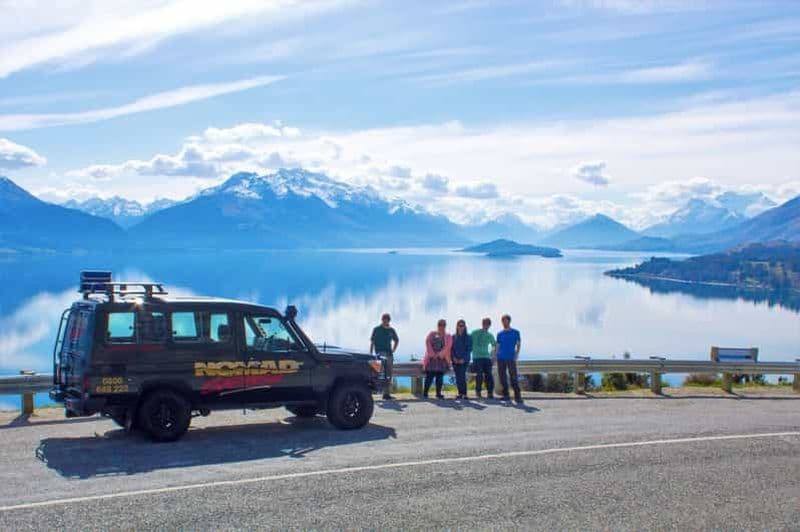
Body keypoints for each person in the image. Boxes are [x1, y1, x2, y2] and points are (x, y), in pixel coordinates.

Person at [370, 312, 399, 400]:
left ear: (389, 320)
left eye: (387, 319)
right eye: (384, 319)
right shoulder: (376, 329)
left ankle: (386, 394)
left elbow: (397, 340)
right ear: (382, 320)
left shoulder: (391, 330)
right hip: (379, 353)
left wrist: (393, 350)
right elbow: (372, 342)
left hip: (389, 354)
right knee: (379, 373)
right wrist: (370, 354)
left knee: (389, 374)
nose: (385, 321)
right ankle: (374, 391)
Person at [423, 319, 452, 399]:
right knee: (429, 376)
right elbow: (427, 343)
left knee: (440, 377)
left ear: (445, 326)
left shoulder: (448, 336)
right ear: (437, 325)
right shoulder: (432, 334)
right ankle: (425, 393)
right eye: (440, 325)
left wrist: (439, 354)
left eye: (443, 325)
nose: (441, 326)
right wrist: (432, 354)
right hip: (431, 359)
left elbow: (448, 346)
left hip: (442, 359)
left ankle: (438, 393)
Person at [496, 314, 522, 404]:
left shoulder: (516, 332)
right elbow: (498, 346)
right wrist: (496, 355)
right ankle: (506, 395)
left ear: (509, 321)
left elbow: (518, 344)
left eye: (505, 321)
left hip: (511, 358)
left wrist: (516, 354)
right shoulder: (499, 334)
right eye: (502, 321)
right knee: (502, 377)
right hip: (501, 358)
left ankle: (518, 396)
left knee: (513, 377)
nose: (504, 322)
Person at [470, 317, 496, 399]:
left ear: (489, 325)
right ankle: (478, 392)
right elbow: (468, 341)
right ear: (482, 323)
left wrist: (493, 356)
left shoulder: (490, 335)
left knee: (489, 375)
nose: (486, 325)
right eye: (485, 323)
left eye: (488, 324)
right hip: (477, 357)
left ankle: (490, 393)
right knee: (479, 375)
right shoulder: (474, 332)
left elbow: (494, 346)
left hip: (487, 358)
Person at [451, 319, 473, 400]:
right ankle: (460, 393)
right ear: (457, 326)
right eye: (459, 325)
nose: (461, 327)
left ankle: (465, 394)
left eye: (462, 325)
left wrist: (463, 359)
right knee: (457, 377)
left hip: (464, 360)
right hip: (455, 360)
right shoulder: (453, 337)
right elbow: (451, 349)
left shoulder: (468, 337)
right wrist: (454, 358)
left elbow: (469, 349)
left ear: (465, 327)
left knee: (462, 376)